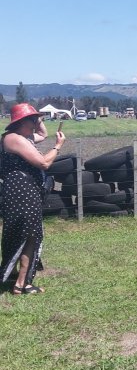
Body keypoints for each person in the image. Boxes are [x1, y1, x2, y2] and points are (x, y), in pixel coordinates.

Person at [1, 103, 65, 295]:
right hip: (22, 192)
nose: (36, 123)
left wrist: (39, 118)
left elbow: (42, 135)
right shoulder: (15, 139)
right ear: (23, 121)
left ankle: (15, 277)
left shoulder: (21, 138)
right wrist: (57, 147)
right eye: (33, 119)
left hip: (22, 191)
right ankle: (22, 284)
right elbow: (44, 163)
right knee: (30, 235)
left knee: (21, 233)